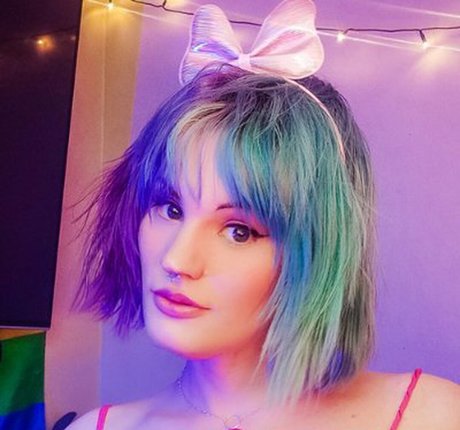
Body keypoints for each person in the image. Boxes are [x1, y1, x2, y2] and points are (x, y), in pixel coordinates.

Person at [69, 1, 460, 429]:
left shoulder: (430, 415)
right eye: (171, 208)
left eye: (239, 231)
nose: (176, 260)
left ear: (318, 251)